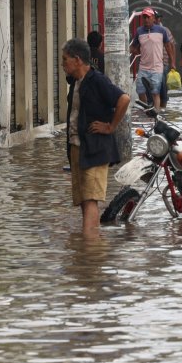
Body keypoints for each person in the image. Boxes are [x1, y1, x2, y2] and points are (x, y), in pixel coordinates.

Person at [61, 38, 130, 237]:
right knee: (83, 198)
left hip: (96, 147)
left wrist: (110, 127)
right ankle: (88, 247)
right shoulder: (75, 81)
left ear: (77, 59)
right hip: (77, 146)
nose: (63, 64)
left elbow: (123, 99)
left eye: (65, 60)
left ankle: (91, 249)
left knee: (91, 198)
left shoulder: (97, 80)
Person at [130, 7, 174, 111]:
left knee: (155, 92)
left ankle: (157, 114)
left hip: (157, 67)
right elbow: (133, 47)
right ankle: (146, 111)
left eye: (148, 17)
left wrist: (172, 62)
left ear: (153, 18)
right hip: (143, 67)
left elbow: (168, 46)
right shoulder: (139, 31)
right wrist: (134, 51)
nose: (146, 19)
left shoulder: (161, 30)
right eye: (144, 17)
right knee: (140, 90)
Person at [153, 10, 176, 105]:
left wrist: (173, 61)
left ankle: (163, 104)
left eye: (158, 18)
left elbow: (172, 45)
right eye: (155, 17)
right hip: (151, 62)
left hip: (164, 62)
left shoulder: (165, 30)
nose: (157, 20)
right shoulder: (145, 31)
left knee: (163, 85)